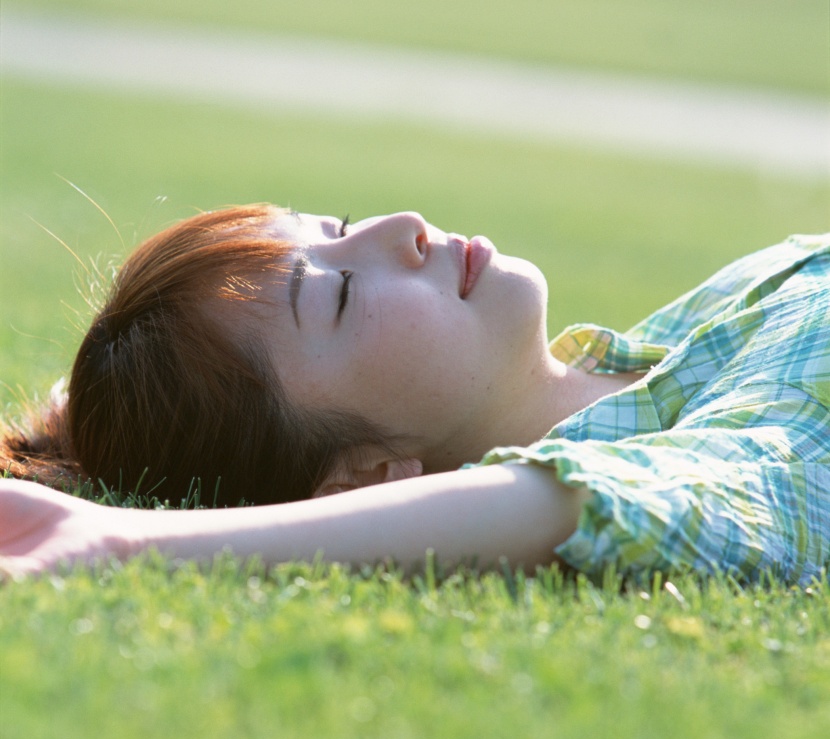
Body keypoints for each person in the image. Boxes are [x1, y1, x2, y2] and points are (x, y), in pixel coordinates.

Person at [1, 205, 828, 582]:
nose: (403, 227)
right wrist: (121, 543)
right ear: (362, 472)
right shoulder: (759, 445)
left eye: (337, 227)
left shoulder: (702, 330)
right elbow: (607, 505)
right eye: (341, 294)